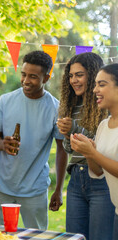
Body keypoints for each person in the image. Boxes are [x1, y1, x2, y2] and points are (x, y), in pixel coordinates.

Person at [0, 51, 67, 230]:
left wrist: (59, 189)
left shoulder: (56, 108)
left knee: (37, 236)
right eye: (23, 74)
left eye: (33, 76)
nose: (25, 80)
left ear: (46, 77)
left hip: (35, 189)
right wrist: (2, 144)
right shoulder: (5, 100)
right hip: (1, 185)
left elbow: (62, 149)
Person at [56, 52, 114, 239]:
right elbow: (70, 149)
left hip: (101, 179)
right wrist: (68, 134)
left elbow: (99, 144)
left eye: (79, 75)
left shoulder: (105, 105)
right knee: (74, 237)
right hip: (76, 178)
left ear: (93, 75)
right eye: (71, 76)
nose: (74, 80)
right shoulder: (72, 105)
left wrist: (74, 128)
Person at [70, 63, 118, 240]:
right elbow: (98, 171)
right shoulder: (104, 126)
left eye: (102, 84)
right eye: (96, 84)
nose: (94, 89)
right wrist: (88, 152)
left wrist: (93, 153)